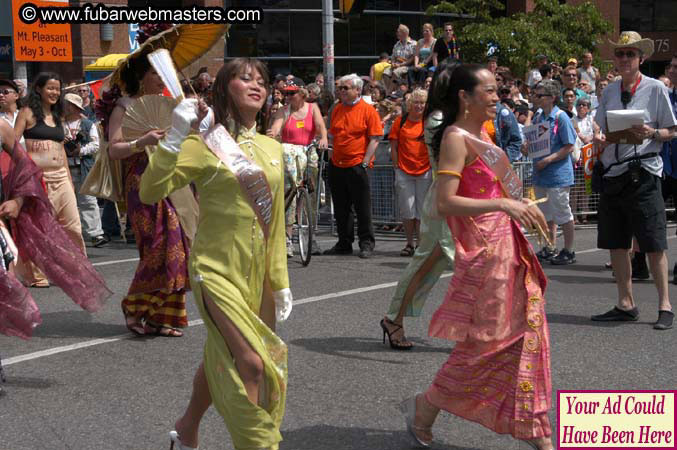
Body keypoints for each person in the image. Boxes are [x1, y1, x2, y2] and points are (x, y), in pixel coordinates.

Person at [398, 63, 553, 450]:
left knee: (526, 334)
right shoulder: (455, 138)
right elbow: (445, 202)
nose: (497, 96)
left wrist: (521, 205)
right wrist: (503, 203)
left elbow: (496, 189)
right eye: (488, 91)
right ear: (465, 97)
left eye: (496, 90)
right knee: (488, 342)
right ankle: (426, 405)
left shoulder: (481, 133)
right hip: (485, 253)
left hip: (509, 247)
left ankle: (536, 428)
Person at [139, 57, 291, 450]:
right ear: (225, 88)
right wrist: (174, 136)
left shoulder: (273, 146)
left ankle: (187, 428)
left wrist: (280, 282)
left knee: (220, 353)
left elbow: (274, 228)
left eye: (262, 79)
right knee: (253, 365)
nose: (257, 85)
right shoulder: (203, 143)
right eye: (245, 79)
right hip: (214, 270)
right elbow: (150, 192)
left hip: (255, 275)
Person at [101, 51, 192, 337]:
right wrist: (142, 141)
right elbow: (113, 149)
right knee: (156, 246)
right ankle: (135, 306)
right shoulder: (124, 106)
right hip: (140, 183)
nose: (161, 78)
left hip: (170, 178)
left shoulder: (171, 106)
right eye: (155, 72)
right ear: (141, 76)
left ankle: (161, 317)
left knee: (178, 243)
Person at [591, 32, 677, 330]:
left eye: (630, 54)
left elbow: (672, 130)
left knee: (653, 242)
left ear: (641, 58)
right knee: (616, 243)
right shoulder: (609, 91)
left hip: (644, 172)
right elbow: (600, 128)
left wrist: (651, 134)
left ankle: (665, 305)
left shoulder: (655, 89)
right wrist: (599, 137)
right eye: (620, 54)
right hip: (613, 173)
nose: (625, 59)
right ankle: (625, 303)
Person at [380, 59, 458, 350]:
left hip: (455, 201)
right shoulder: (439, 119)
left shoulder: (452, 116)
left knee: (428, 263)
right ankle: (394, 319)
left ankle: (394, 318)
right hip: (445, 202)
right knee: (448, 264)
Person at [13, 72, 87, 287]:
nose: (54, 92)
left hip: (61, 176)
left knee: (73, 225)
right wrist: (26, 172)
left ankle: (77, 269)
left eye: (57, 88)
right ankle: (37, 275)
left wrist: (70, 181)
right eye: (50, 88)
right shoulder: (26, 113)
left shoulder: (58, 116)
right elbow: (14, 143)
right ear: (39, 89)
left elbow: (61, 148)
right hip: (38, 179)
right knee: (40, 227)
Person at [267, 77, 328, 256]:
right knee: (290, 193)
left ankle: (311, 235)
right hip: (289, 156)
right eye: (286, 93)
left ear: (302, 94)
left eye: (291, 93)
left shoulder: (312, 108)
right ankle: (287, 237)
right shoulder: (283, 111)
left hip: (308, 153)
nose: (288, 97)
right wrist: (273, 132)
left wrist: (323, 138)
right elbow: (276, 127)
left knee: (311, 193)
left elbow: (320, 127)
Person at [324, 74, 383, 258]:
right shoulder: (337, 109)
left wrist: (365, 161)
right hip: (337, 164)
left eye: (345, 88)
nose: (341, 91)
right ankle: (344, 243)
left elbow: (375, 138)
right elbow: (332, 136)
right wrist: (331, 156)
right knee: (341, 208)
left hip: (357, 164)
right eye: (340, 88)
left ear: (357, 90)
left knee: (362, 207)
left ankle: (366, 243)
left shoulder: (368, 110)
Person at [531, 80, 578, 265]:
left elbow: (569, 146)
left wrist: (548, 160)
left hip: (557, 175)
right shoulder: (538, 117)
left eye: (540, 95)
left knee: (562, 213)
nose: (536, 98)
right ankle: (550, 247)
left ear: (551, 98)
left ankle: (569, 250)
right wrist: (528, 148)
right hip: (541, 174)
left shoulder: (561, 118)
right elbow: (535, 143)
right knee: (545, 214)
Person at [62, 93, 108, 248]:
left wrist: (80, 151)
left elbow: (96, 145)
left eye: (69, 104)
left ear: (75, 107)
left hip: (83, 167)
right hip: (65, 167)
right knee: (67, 202)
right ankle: (71, 234)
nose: (65, 107)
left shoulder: (88, 124)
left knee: (88, 200)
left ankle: (96, 234)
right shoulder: (58, 124)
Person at [389, 89, 432, 256]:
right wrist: (396, 166)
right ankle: (409, 243)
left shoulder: (429, 122)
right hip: (404, 171)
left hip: (425, 171)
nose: (419, 106)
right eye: (416, 102)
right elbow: (393, 146)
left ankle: (421, 244)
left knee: (422, 211)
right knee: (408, 210)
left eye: (422, 103)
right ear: (410, 104)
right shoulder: (400, 122)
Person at [384, 24, 416, 89]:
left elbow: (412, 58)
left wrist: (401, 65)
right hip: (396, 64)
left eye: (398, 32)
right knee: (385, 73)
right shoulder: (397, 44)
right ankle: (390, 91)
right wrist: (393, 63)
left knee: (396, 72)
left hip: (407, 66)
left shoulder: (414, 44)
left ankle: (389, 93)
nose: (396, 34)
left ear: (404, 33)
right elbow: (393, 57)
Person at [409, 23, 437, 88]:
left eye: (427, 31)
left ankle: (421, 87)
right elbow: (416, 55)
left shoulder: (435, 41)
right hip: (419, 63)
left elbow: (431, 56)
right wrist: (416, 64)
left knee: (422, 70)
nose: (425, 32)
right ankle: (412, 87)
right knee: (410, 69)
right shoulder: (420, 41)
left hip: (429, 63)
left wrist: (421, 65)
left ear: (431, 31)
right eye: (424, 31)